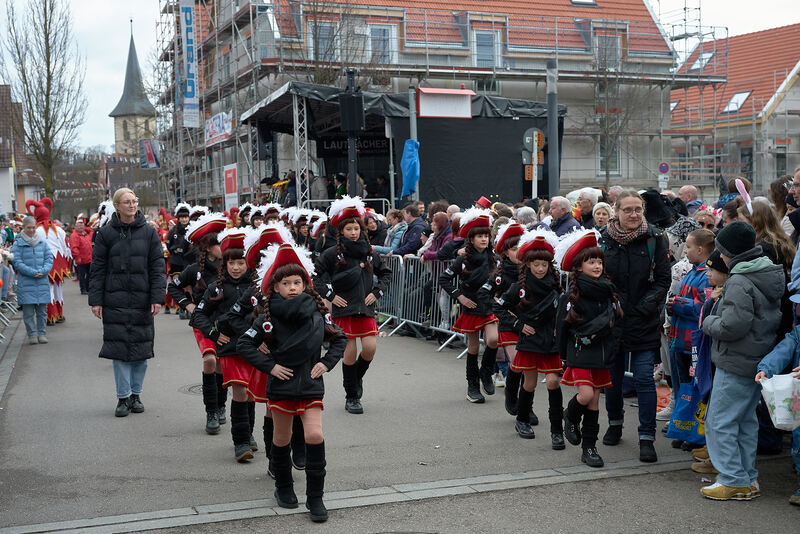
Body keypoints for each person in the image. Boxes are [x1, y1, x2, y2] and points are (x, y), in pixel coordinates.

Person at [238, 243, 347, 522]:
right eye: (286, 283)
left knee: (314, 435)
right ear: (275, 287)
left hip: (310, 384)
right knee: (281, 438)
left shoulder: (318, 312)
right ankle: (283, 487)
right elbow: (245, 345)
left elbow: (340, 338)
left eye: (297, 282)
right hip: (281, 386)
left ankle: (315, 498)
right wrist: (271, 367)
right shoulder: (266, 317)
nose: (293, 287)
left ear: (305, 283)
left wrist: (325, 363)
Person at [700, 221, 784, 500]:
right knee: (745, 421)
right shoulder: (766, 272)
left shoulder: (739, 280)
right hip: (755, 359)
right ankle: (746, 477)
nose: (720, 257)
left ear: (730, 253)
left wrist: (709, 320)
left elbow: (732, 326)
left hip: (735, 360)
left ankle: (733, 478)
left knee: (720, 421)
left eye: (722, 251)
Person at [600, 190, 670, 463]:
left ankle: (646, 437)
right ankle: (615, 423)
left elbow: (663, 280)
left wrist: (645, 306)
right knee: (613, 380)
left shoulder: (655, 238)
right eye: (627, 209)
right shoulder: (602, 239)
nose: (633, 214)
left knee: (643, 379)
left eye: (638, 209)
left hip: (644, 319)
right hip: (613, 319)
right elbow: (595, 273)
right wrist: (613, 302)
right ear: (615, 211)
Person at [89, 188, 166, 417]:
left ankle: (136, 395)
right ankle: (122, 398)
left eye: (134, 201)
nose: (132, 205)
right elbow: (97, 269)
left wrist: (157, 298)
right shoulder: (105, 234)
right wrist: (96, 301)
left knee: (141, 352)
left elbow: (158, 268)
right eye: (126, 202)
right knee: (119, 351)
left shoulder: (150, 233)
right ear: (117, 206)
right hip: (115, 299)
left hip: (142, 300)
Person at [313, 197, 391, 415]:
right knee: (349, 351)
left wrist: (377, 293)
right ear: (342, 231)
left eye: (357, 228)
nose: (354, 232)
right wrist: (330, 295)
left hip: (365, 308)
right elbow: (313, 276)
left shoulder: (369, 252)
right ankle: (352, 396)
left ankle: (355, 380)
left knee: (370, 348)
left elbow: (386, 273)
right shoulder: (331, 254)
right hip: (344, 308)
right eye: (349, 228)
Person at [190, 228, 261, 461]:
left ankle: (248, 434)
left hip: (254, 348)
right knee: (240, 391)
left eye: (241, 263)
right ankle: (240, 443)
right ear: (225, 263)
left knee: (250, 394)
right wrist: (213, 332)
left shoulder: (258, 289)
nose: (236, 268)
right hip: (230, 348)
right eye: (231, 263)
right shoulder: (216, 288)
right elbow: (197, 316)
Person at [556, 229, 622, 468]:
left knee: (594, 402)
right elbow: (561, 330)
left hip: (601, 352)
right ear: (579, 266)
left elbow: (615, 326)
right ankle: (570, 416)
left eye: (599, 262)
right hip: (579, 352)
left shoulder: (607, 292)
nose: (597, 266)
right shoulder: (571, 296)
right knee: (584, 396)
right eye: (591, 262)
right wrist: (563, 357)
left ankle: (589, 448)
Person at [498, 229, 564, 447]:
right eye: (535, 264)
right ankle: (522, 420)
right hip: (529, 340)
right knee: (530, 383)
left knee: (554, 382)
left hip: (551, 341)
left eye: (544, 265)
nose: (540, 268)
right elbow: (498, 308)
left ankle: (557, 431)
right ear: (527, 264)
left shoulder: (556, 286)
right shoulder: (518, 288)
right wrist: (518, 324)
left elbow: (564, 312)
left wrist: (560, 328)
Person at [168, 212, 228, 434]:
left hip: (225, 323)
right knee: (210, 360)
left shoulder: (231, 266)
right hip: (203, 322)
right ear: (207, 246)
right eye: (218, 242)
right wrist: (188, 305)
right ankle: (211, 412)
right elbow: (173, 287)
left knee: (221, 364)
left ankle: (221, 406)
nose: (223, 246)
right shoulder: (194, 270)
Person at [439, 208, 499, 403]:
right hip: (471, 306)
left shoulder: (494, 259)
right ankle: (472, 386)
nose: (484, 239)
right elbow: (444, 279)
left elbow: (502, 282)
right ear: (471, 239)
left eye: (486, 236)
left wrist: (500, 296)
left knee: (493, 340)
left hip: (489, 306)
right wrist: (460, 297)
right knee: (473, 346)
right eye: (480, 236)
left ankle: (486, 372)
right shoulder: (462, 259)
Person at [666, 229, 713, 447]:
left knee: (694, 389)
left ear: (701, 250)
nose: (685, 250)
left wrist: (676, 303)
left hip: (692, 341)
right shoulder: (692, 271)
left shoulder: (706, 275)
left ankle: (696, 434)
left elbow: (702, 307)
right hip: (680, 339)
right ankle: (683, 427)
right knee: (683, 387)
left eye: (688, 247)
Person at [755, 326, 800, 506]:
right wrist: (766, 368)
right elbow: (783, 349)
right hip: (798, 395)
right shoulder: (798, 332)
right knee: (798, 438)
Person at [12, 216, 53, 344]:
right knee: (28, 313)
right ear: (23, 228)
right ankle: (32, 334)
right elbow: (17, 262)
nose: (31, 230)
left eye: (33, 227)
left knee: (42, 311)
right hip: (26, 283)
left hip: (41, 282)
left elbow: (49, 259)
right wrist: (33, 272)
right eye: (28, 227)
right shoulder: (18, 244)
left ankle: (42, 333)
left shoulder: (42, 242)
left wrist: (43, 271)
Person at [166, 202, 195, 319]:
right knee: (178, 285)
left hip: (189, 261)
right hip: (176, 262)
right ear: (178, 218)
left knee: (189, 286)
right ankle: (180, 307)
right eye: (181, 217)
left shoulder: (192, 229)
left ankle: (190, 308)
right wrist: (175, 251)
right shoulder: (174, 231)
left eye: (186, 217)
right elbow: (169, 244)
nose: (184, 219)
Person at [70, 217, 93, 295]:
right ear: (75, 227)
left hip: (89, 258)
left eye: (82, 225)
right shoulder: (74, 235)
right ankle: (83, 289)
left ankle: (87, 288)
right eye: (79, 226)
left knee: (90, 274)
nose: (81, 227)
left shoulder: (85, 233)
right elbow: (74, 247)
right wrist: (77, 257)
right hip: (81, 259)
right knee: (82, 276)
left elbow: (92, 231)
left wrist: (85, 228)